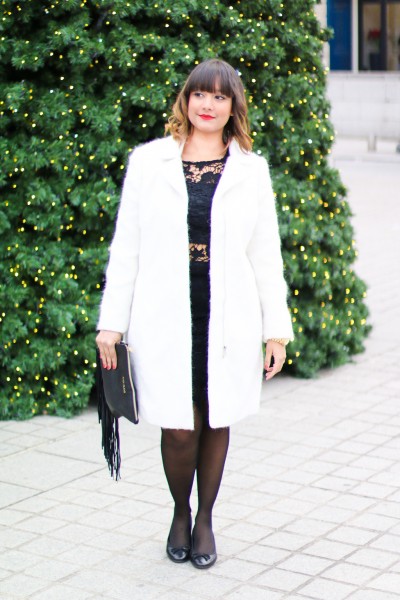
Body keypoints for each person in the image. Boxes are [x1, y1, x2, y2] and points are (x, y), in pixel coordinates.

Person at [96, 58, 293, 570]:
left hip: (227, 316)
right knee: (180, 426)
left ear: (233, 107)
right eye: (200, 94)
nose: (208, 105)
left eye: (220, 97)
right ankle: (179, 511)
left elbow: (265, 253)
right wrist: (111, 323)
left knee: (216, 415)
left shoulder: (251, 169)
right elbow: (127, 247)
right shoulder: (149, 162)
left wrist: (276, 331)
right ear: (185, 100)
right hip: (165, 314)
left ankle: (205, 518)